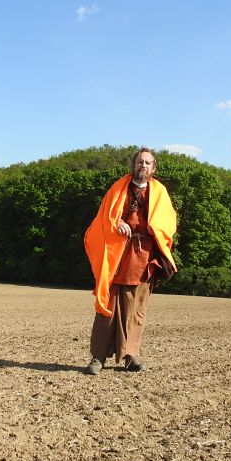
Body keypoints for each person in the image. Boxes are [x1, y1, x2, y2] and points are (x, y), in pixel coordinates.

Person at [83, 147, 177, 375]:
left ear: (154, 168)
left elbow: (168, 223)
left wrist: (153, 228)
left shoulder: (160, 192)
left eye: (148, 163)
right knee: (108, 305)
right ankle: (98, 358)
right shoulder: (118, 188)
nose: (143, 166)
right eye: (140, 162)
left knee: (137, 309)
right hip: (117, 254)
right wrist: (117, 224)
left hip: (144, 257)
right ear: (133, 165)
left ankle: (130, 356)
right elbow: (105, 217)